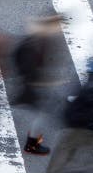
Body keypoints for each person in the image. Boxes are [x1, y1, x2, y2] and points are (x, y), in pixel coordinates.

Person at [43, 34, 93, 173]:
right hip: (80, 122)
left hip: (78, 118)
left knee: (69, 147)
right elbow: (92, 104)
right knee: (67, 148)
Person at [11, 11, 66, 155]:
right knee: (43, 114)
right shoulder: (32, 46)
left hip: (34, 84)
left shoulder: (40, 40)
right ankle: (31, 144)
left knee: (43, 111)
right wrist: (47, 82)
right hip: (34, 87)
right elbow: (30, 72)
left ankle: (33, 140)